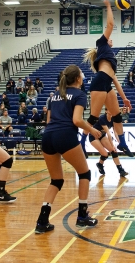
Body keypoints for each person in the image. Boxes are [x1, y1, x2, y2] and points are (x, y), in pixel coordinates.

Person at [35, 65, 101, 234]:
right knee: (84, 173)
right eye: (81, 74)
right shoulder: (80, 94)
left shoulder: (55, 95)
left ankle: (42, 221)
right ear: (78, 79)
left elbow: (49, 120)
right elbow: (77, 120)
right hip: (64, 135)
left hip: (48, 136)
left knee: (56, 180)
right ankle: (82, 216)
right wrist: (92, 129)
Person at [90, 110, 129, 177]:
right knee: (105, 154)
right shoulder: (102, 118)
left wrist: (121, 143)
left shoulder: (113, 119)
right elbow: (108, 133)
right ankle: (100, 164)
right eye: (109, 109)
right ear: (106, 111)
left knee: (113, 151)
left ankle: (121, 170)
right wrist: (112, 145)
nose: (111, 111)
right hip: (94, 136)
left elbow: (115, 132)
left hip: (102, 135)